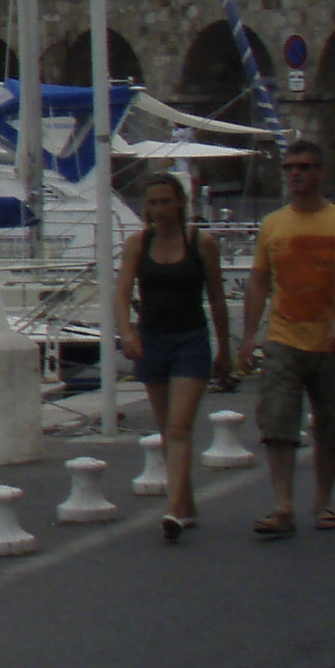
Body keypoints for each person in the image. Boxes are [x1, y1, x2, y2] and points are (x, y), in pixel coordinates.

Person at [239, 138, 335, 538]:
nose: (296, 174)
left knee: (332, 424)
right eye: (290, 167)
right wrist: (247, 338)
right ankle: (282, 506)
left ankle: (324, 502)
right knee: (277, 420)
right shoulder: (273, 224)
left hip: (332, 340)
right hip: (283, 338)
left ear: (321, 173)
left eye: (305, 167)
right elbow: (259, 282)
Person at [114, 174, 232, 541]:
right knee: (168, 431)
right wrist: (128, 333)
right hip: (152, 341)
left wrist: (226, 348)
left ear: (180, 203)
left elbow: (216, 297)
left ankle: (172, 511)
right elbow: (121, 295)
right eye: (152, 203)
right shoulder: (138, 244)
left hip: (190, 340)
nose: (159, 210)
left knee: (181, 427)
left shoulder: (201, 243)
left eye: (165, 202)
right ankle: (188, 504)